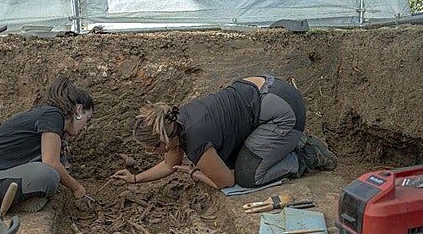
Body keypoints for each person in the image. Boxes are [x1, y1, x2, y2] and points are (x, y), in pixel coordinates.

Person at [111, 75, 337, 189]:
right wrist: (135, 178)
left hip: (283, 113)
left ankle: (306, 155)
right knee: (231, 160)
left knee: (248, 176)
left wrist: (194, 172)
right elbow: (170, 165)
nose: (153, 154)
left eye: (152, 150)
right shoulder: (176, 120)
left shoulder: (195, 140)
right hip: (267, 89)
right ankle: (290, 143)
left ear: (163, 141)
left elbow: (226, 182)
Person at [0, 76, 93, 213]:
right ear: (79, 110)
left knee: (58, 158)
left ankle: (13, 203)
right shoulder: (54, 115)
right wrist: (77, 188)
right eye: (87, 119)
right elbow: (51, 163)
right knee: (49, 174)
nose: (85, 127)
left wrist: (58, 150)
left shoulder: (48, 117)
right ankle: (14, 206)